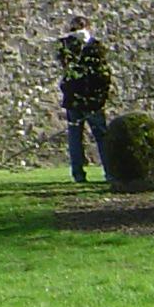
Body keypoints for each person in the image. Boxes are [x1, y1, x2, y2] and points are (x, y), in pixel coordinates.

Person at [58, 15, 112, 183]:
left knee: (75, 138)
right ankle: (109, 172)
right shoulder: (95, 46)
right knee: (102, 137)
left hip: (74, 99)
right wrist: (102, 95)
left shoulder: (66, 46)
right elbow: (103, 74)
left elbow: (66, 71)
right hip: (93, 99)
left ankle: (78, 174)